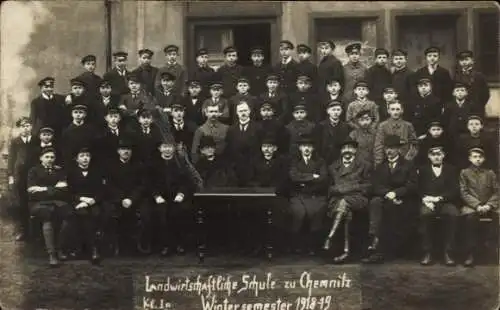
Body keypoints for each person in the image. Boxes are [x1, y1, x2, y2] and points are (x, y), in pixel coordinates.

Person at [362, 135, 417, 264]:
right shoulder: (381, 166)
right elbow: (375, 185)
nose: (389, 151)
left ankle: (383, 249)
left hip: (404, 199)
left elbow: (412, 185)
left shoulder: (408, 165)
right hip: (385, 198)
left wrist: (397, 193)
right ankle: (374, 238)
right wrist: (388, 193)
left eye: (392, 148)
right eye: (387, 148)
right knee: (375, 202)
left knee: (392, 209)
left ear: (398, 149)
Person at [324, 139, 371, 263]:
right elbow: (329, 188)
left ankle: (330, 237)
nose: (347, 151)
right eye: (344, 148)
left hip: (358, 199)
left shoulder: (364, 165)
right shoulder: (333, 167)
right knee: (345, 208)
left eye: (350, 148)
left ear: (355, 151)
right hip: (337, 199)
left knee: (345, 203)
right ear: (341, 151)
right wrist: (350, 188)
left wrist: (345, 189)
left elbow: (368, 186)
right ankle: (346, 251)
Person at [27, 147, 71, 266]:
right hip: (38, 204)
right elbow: (32, 191)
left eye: (52, 157)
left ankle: (59, 248)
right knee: (48, 217)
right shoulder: (33, 171)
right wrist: (54, 189)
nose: (50, 159)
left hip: (57, 202)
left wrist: (43, 189)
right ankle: (52, 254)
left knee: (68, 216)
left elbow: (64, 190)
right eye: (47, 157)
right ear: (41, 158)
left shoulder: (59, 171)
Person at [148, 138, 192, 256]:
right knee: (161, 214)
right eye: (164, 147)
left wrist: (181, 194)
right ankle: (165, 245)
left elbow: (186, 182)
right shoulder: (154, 164)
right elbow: (150, 183)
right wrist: (156, 196)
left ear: (174, 148)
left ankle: (180, 244)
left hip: (177, 196)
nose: (167, 149)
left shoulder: (181, 164)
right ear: (160, 149)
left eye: (170, 147)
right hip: (160, 197)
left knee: (181, 212)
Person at [418, 145, 460, 266]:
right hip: (428, 202)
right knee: (425, 215)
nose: (436, 157)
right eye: (433, 154)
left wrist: (440, 198)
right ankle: (428, 252)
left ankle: (448, 252)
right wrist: (425, 199)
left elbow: (455, 189)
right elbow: (418, 188)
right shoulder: (423, 170)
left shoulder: (451, 169)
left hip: (445, 202)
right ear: (429, 156)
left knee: (453, 214)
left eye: (439, 154)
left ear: (443, 155)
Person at [249, 134, 290, 256]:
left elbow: (284, 180)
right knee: (254, 214)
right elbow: (250, 179)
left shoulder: (282, 161)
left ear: (275, 149)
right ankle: (257, 245)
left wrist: (273, 190)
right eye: (264, 147)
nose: (267, 150)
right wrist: (259, 188)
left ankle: (275, 246)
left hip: (276, 195)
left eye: (270, 147)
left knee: (277, 214)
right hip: (259, 196)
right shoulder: (255, 161)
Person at [104, 139, 146, 255]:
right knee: (109, 213)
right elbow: (109, 185)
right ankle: (115, 245)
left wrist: (131, 199)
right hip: (117, 199)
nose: (126, 152)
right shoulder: (111, 166)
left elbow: (141, 185)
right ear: (118, 151)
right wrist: (122, 198)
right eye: (123, 150)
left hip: (134, 199)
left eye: (128, 150)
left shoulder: (138, 165)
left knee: (144, 213)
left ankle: (138, 244)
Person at [459, 146, 499, 267]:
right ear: (470, 159)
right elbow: (463, 192)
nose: (478, 159)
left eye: (480, 157)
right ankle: (470, 253)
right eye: (475, 157)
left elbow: (497, 191)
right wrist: (477, 205)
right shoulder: (464, 173)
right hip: (471, 206)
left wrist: (489, 205)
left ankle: (491, 249)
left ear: (484, 159)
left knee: (498, 216)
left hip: (489, 205)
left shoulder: (490, 173)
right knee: (470, 218)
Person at [288, 135, 328, 255]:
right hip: (298, 195)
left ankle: (312, 246)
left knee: (315, 213)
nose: (306, 149)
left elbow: (323, 178)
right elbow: (293, 177)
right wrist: (311, 176)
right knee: (299, 213)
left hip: (315, 195)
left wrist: (303, 180)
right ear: (300, 148)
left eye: (309, 146)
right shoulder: (294, 161)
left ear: (313, 148)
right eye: (304, 146)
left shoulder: (320, 161)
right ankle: (297, 246)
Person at [66, 147, 105, 264]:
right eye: (82, 156)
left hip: (93, 202)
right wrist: (81, 199)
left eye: (87, 156)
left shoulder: (97, 172)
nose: (85, 158)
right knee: (82, 214)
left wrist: (92, 200)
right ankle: (91, 249)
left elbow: (102, 190)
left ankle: (90, 248)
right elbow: (68, 192)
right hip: (77, 203)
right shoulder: (71, 173)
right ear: (77, 159)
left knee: (95, 213)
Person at [8, 117, 38, 241]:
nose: (26, 128)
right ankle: (24, 231)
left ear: (31, 127)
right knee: (22, 204)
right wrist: (11, 176)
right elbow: (11, 159)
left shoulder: (36, 140)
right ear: (19, 128)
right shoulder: (15, 141)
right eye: (23, 126)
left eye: (28, 125)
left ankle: (36, 232)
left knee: (35, 201)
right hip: (20, 176)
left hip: (34, 176)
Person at [225, 101, 262, 187]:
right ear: (237, 113)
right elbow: (229, 149)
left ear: (249, 111)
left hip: (253, 168)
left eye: (245, 110)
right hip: (236, 169)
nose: (243, 113)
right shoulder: (231, 129)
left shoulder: (258, 128)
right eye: (240, 111)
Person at [374, 101, 418, 167]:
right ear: (388, 111)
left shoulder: (408, 126)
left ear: (402, 111)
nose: (395, 112)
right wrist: (379, 163)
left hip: (405, 160)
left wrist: (408, 160)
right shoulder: (382, 126)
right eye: (392, 109)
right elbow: (378, 145)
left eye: (398, 109)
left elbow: (414, 145)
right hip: (388, 160)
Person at [454, 50, 490, 117]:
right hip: (462, 108)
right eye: (461, 60)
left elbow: (485, 94)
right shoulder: (456, 77)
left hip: (477, 108)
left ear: (472, 61)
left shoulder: (479, 76)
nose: (464, 62)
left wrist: (479, 104)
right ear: (459, 62)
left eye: (466, 59)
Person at [315, 100, 351, 166]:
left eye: (338, 110)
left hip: (339, 160)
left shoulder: (345, 127)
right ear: (328, 111)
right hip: (324, 160)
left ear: (341, 111)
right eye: (333, 110)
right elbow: (317, 146)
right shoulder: (321, 126)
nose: (336, 112)